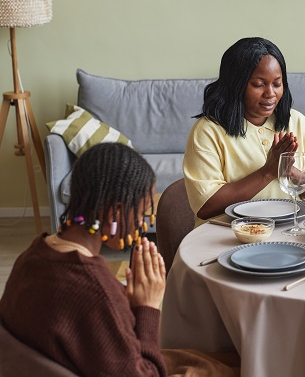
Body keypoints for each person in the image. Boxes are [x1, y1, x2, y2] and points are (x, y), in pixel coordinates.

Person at [0, 143, 239, 376]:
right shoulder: (94, 290)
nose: (143, 226)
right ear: (115, 213)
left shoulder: (33, 253)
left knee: (223, 357)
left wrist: (123, 298)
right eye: (142, 214)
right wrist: (148, 307)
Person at [184, 37, 305, 227]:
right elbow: (205, 205)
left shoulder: (296, 122)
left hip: (294, 231)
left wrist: (291, 173)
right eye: (258, 84)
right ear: (236, 85)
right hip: (228, 236)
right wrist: (267, 172)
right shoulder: (207, 131)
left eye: (277, 84)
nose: (270, 93)